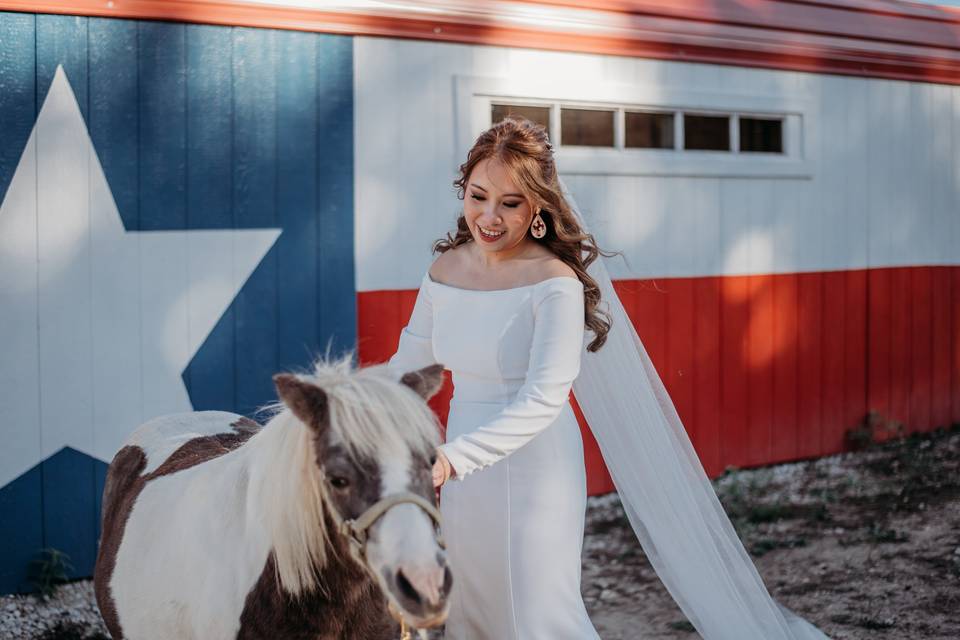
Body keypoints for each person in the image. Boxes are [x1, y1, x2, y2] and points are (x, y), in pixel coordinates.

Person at [387, 115, 832, 640]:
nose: (488, 216)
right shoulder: (444, 270)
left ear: (537, 210)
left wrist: (452, 459)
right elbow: (406, 368)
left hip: (532, 468)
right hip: (459, 473)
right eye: (478, 196)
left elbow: (543, 399)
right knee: (472, 615)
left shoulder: (554, 282)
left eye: (510, 203)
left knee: (536, 617)